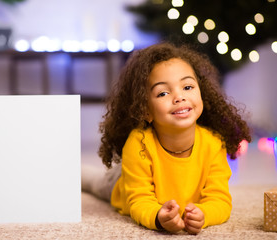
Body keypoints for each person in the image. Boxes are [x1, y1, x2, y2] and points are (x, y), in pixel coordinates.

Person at [82, 42, 251, 235]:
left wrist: (204, 214)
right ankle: (80, 173)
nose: (179, 97)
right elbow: (139, 201)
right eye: (163, 92)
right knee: (97, 182)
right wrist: (157, 217)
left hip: (148, 174)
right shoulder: (138, 143)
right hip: (124, 183)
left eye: (187, 86)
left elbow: (220, 200)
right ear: (145, 111)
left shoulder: (213, 144)